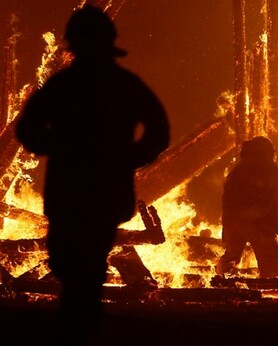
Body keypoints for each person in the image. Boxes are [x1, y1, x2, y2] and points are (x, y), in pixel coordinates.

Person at [15, 5, 170, 343]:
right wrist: (130, 158)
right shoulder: (126, 85)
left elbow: (28, 131)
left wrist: (56, 146)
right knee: (91, 260)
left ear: (75, 45)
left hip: (69, 192)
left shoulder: (63, 86)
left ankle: (77, 321)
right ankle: (84, 320)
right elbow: (159, 133)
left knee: (70, 261)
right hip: (107, 193)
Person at [217, 136, 278, 278]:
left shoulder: (237, 169)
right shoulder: (269, 168)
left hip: (234, 220)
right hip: (258, 221)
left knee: (231, 256)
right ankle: (271, 291)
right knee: (270, 261)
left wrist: (227, 227)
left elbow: (227, 201)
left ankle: (222, 282)